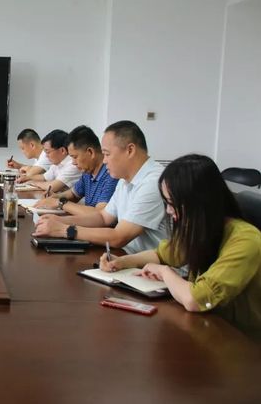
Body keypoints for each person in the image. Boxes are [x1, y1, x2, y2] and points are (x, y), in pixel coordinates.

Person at [100, 154, 261, 335]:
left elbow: (196, 300)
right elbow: (163, 254)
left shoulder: (245, 240)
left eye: (172, 203)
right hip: (208, 325)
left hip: (242, 339)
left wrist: (165, 272)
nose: (169, 211)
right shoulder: (202, 227)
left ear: (199, 201)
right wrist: (121, 262)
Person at [34, 120, 168, 254]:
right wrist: (59, 220)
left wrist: (63, 229)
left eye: (107, 154)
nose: (104, 160)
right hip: (126, 256)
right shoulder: (125, 179)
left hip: (148, 264)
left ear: (130, 150)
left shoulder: (153, 182)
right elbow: (103, 217)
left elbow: (119, 237)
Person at [35, 125, 118, 215]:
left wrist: (60, 203)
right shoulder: (88, 171)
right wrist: (55, 197)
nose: (73, 162)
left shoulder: (111, 174)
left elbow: (99, 214)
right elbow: (74, 194)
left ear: (90, 152)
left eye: (75, 157)